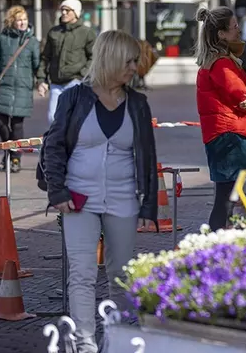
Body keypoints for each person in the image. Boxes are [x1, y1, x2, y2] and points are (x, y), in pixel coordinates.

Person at [42, 30, 159, 353]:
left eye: (136, 62)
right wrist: (58, 191)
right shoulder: (74, 98)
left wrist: (149, 206)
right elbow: (53, 147)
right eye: (130, 61)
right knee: (81, 274)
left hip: (123, 199)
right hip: (78, 199)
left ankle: (117, 339)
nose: (135, 68)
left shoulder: (138, 104)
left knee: (121, 275)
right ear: (110, 60)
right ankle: (85, 343)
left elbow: (148, 157)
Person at [195, 6, 246, 231]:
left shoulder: (220, 61)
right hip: (229, 134)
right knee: (227, 196)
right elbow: (242, 95)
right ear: (221, 34)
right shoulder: (223, 63)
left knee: (227, 194)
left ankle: (221, 238)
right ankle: (218, 241)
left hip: (222, 132)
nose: (239, 31)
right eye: (235, 27)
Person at [0, 6, 40, 172]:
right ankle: (9, 152)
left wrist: (42, 81)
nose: (23, 22)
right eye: (19, 20)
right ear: (12, 21)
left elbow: (37, 65)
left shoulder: (32, 42)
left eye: (25, 19)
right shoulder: (1, 39)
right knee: (0, 121)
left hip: (23, 88)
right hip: (4, 86)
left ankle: (15, 159)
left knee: (17, 125)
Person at [37, 0, 97, 124]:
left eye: (67, 10)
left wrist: (82, 75)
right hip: (56, 84)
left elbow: (94, 57)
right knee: (53, 118)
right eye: (62, 10)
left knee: (75, 118)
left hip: (75, 82)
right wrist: (41, 80)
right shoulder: (54, 32)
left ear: (76, 13)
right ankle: (59, 143)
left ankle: (74, 143)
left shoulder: (87, 33)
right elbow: (45, 57)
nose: (63, 13)